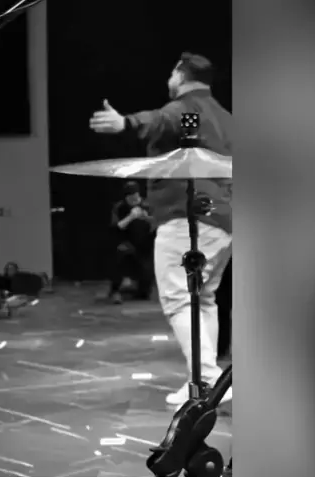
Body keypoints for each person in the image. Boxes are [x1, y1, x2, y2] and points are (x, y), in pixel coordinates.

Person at [89, 52, 232, 410]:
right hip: (224, 219)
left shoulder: (186, 108)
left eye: (171, 73)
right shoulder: (224, 117)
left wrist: (125, 123)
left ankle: (207, 380)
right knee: (203, 298)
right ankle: (207, 379)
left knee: (180, 299)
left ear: (181, 75)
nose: (169, 79)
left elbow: (161, 120)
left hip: (187, 217)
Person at [109, 181, 154, 304]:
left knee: (146, 277)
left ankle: (140, 290)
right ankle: (115, 291)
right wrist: (131, 217)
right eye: (129, 197)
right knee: (120, 257)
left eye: (135, 196)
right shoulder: (120, 207)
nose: (133, 199)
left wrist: (146, 218)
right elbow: (116, 227)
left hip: (145, 243)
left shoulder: (148, 205)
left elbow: (157, 223)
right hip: (126, 242)